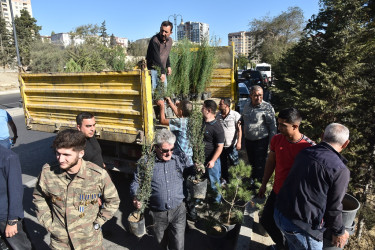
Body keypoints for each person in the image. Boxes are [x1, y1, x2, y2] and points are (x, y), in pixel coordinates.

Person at [33, 129, 120, 249]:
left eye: (66, 155)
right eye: (58, 153)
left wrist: (98, 223)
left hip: (89, 242)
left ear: (81, 154)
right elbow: (39, 197)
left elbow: (113, 200)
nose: (60, 159)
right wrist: (48, 223)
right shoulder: (48, 172)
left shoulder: (97, 174)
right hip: (61, 243)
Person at [274, 123, 351, 249]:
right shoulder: (340, 170)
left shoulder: (305, 152)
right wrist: (339, 231)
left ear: (322, 136)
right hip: (300, 227)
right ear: (346, 143)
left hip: (280, 213)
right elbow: (334, 207)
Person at [258, 108, 315, 250]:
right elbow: (271, 162)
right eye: (279, 124)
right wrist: (264, 184)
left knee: (288, 227)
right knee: (266, 220)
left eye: (283, 125)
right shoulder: (277, 139)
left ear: (295, 126)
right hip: (277, 191)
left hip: (294, 198)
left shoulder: (309, 147)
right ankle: (283, 246)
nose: (279, 128)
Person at [130, 129, 192, 250]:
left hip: (178, 210)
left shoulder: (179, 157)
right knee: (160, 244)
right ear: (157, 147)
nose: (169, 153)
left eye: (171, 149)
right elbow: (136, 181)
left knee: (178, 245)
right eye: (165, 150)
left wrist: (198, 168)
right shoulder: (146, 162)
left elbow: (191, 170)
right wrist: (136, 196)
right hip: (157, 214)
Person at [240, 85, 277, 182]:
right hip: (248, 140)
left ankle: (259, 185)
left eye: (261, 95)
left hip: (261, 141)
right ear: (250, 96)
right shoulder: (246, 105)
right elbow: (244, 119)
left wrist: (272, 144)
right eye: (256, 95)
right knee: (251, 163)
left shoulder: (267, 107)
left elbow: (272, 127)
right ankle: (252, 181)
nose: (259, 98)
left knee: (260, 164)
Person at [0, 146, 32, 249]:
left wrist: (12, 221)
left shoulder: (8, 157)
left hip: (5, 217)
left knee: (19, 246)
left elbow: (15, 190)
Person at [156, 98, 193, 166]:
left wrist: (162, 106)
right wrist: (171, 104)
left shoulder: (180, 122)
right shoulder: (190, 120)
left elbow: (163, 121)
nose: (177, 107)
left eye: (178, 107)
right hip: (189, 157)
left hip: (181, 158)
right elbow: (180, 115)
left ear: (181, 111)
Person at [202, 100, 224, 203]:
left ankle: (217, 203)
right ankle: (201, 199)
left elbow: (220, 147)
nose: (201, 109)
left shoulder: (217, 127)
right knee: (201, 180)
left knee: (214, 182)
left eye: (203, 107)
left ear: (209, 110)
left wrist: (213, 160)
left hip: (211, 160)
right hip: (201, 158)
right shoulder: (202, 122)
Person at [216, 98, 242, 183]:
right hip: (221, 146)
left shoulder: (235, 115)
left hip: (232, 146)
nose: (219, 106)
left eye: (220, 104)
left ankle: (237, 182)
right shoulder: (217, 115)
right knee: (223, 164)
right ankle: (225, 180)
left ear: (226, 105)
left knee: (235, 164)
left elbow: (239, 130)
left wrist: (239, 142)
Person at [146, 21, 173, 91]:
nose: (163, 33)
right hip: (153, 70)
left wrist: (168, 66)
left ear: (171, 33)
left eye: (166, 32)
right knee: (153, 92)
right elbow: (156, 58)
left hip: (161, 69)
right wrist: (162, 72)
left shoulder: (170, 41)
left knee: (163, 91)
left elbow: (166, 54)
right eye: (162, 30)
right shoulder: (155, 40)